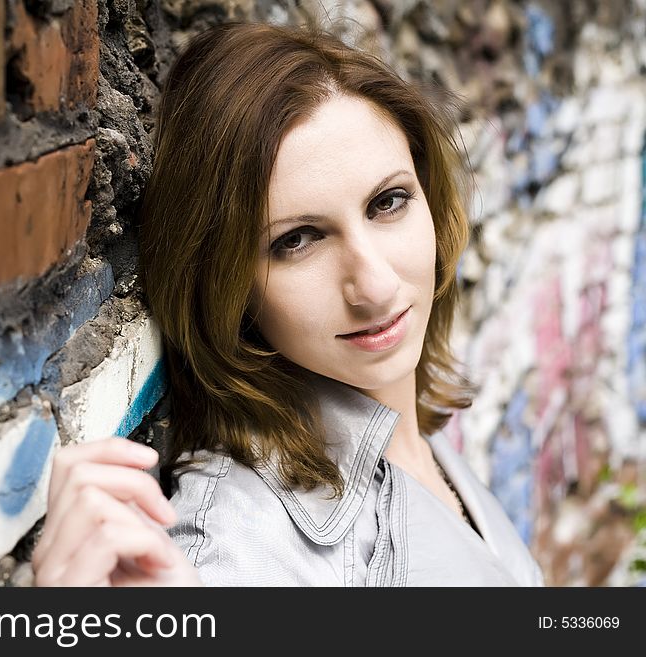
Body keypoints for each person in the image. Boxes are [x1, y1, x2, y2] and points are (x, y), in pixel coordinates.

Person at [31, 21, 545, 586]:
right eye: (296, 240)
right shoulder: (240, 544)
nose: (373, 286)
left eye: (388, 202)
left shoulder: (415, 436)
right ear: (225, 281)